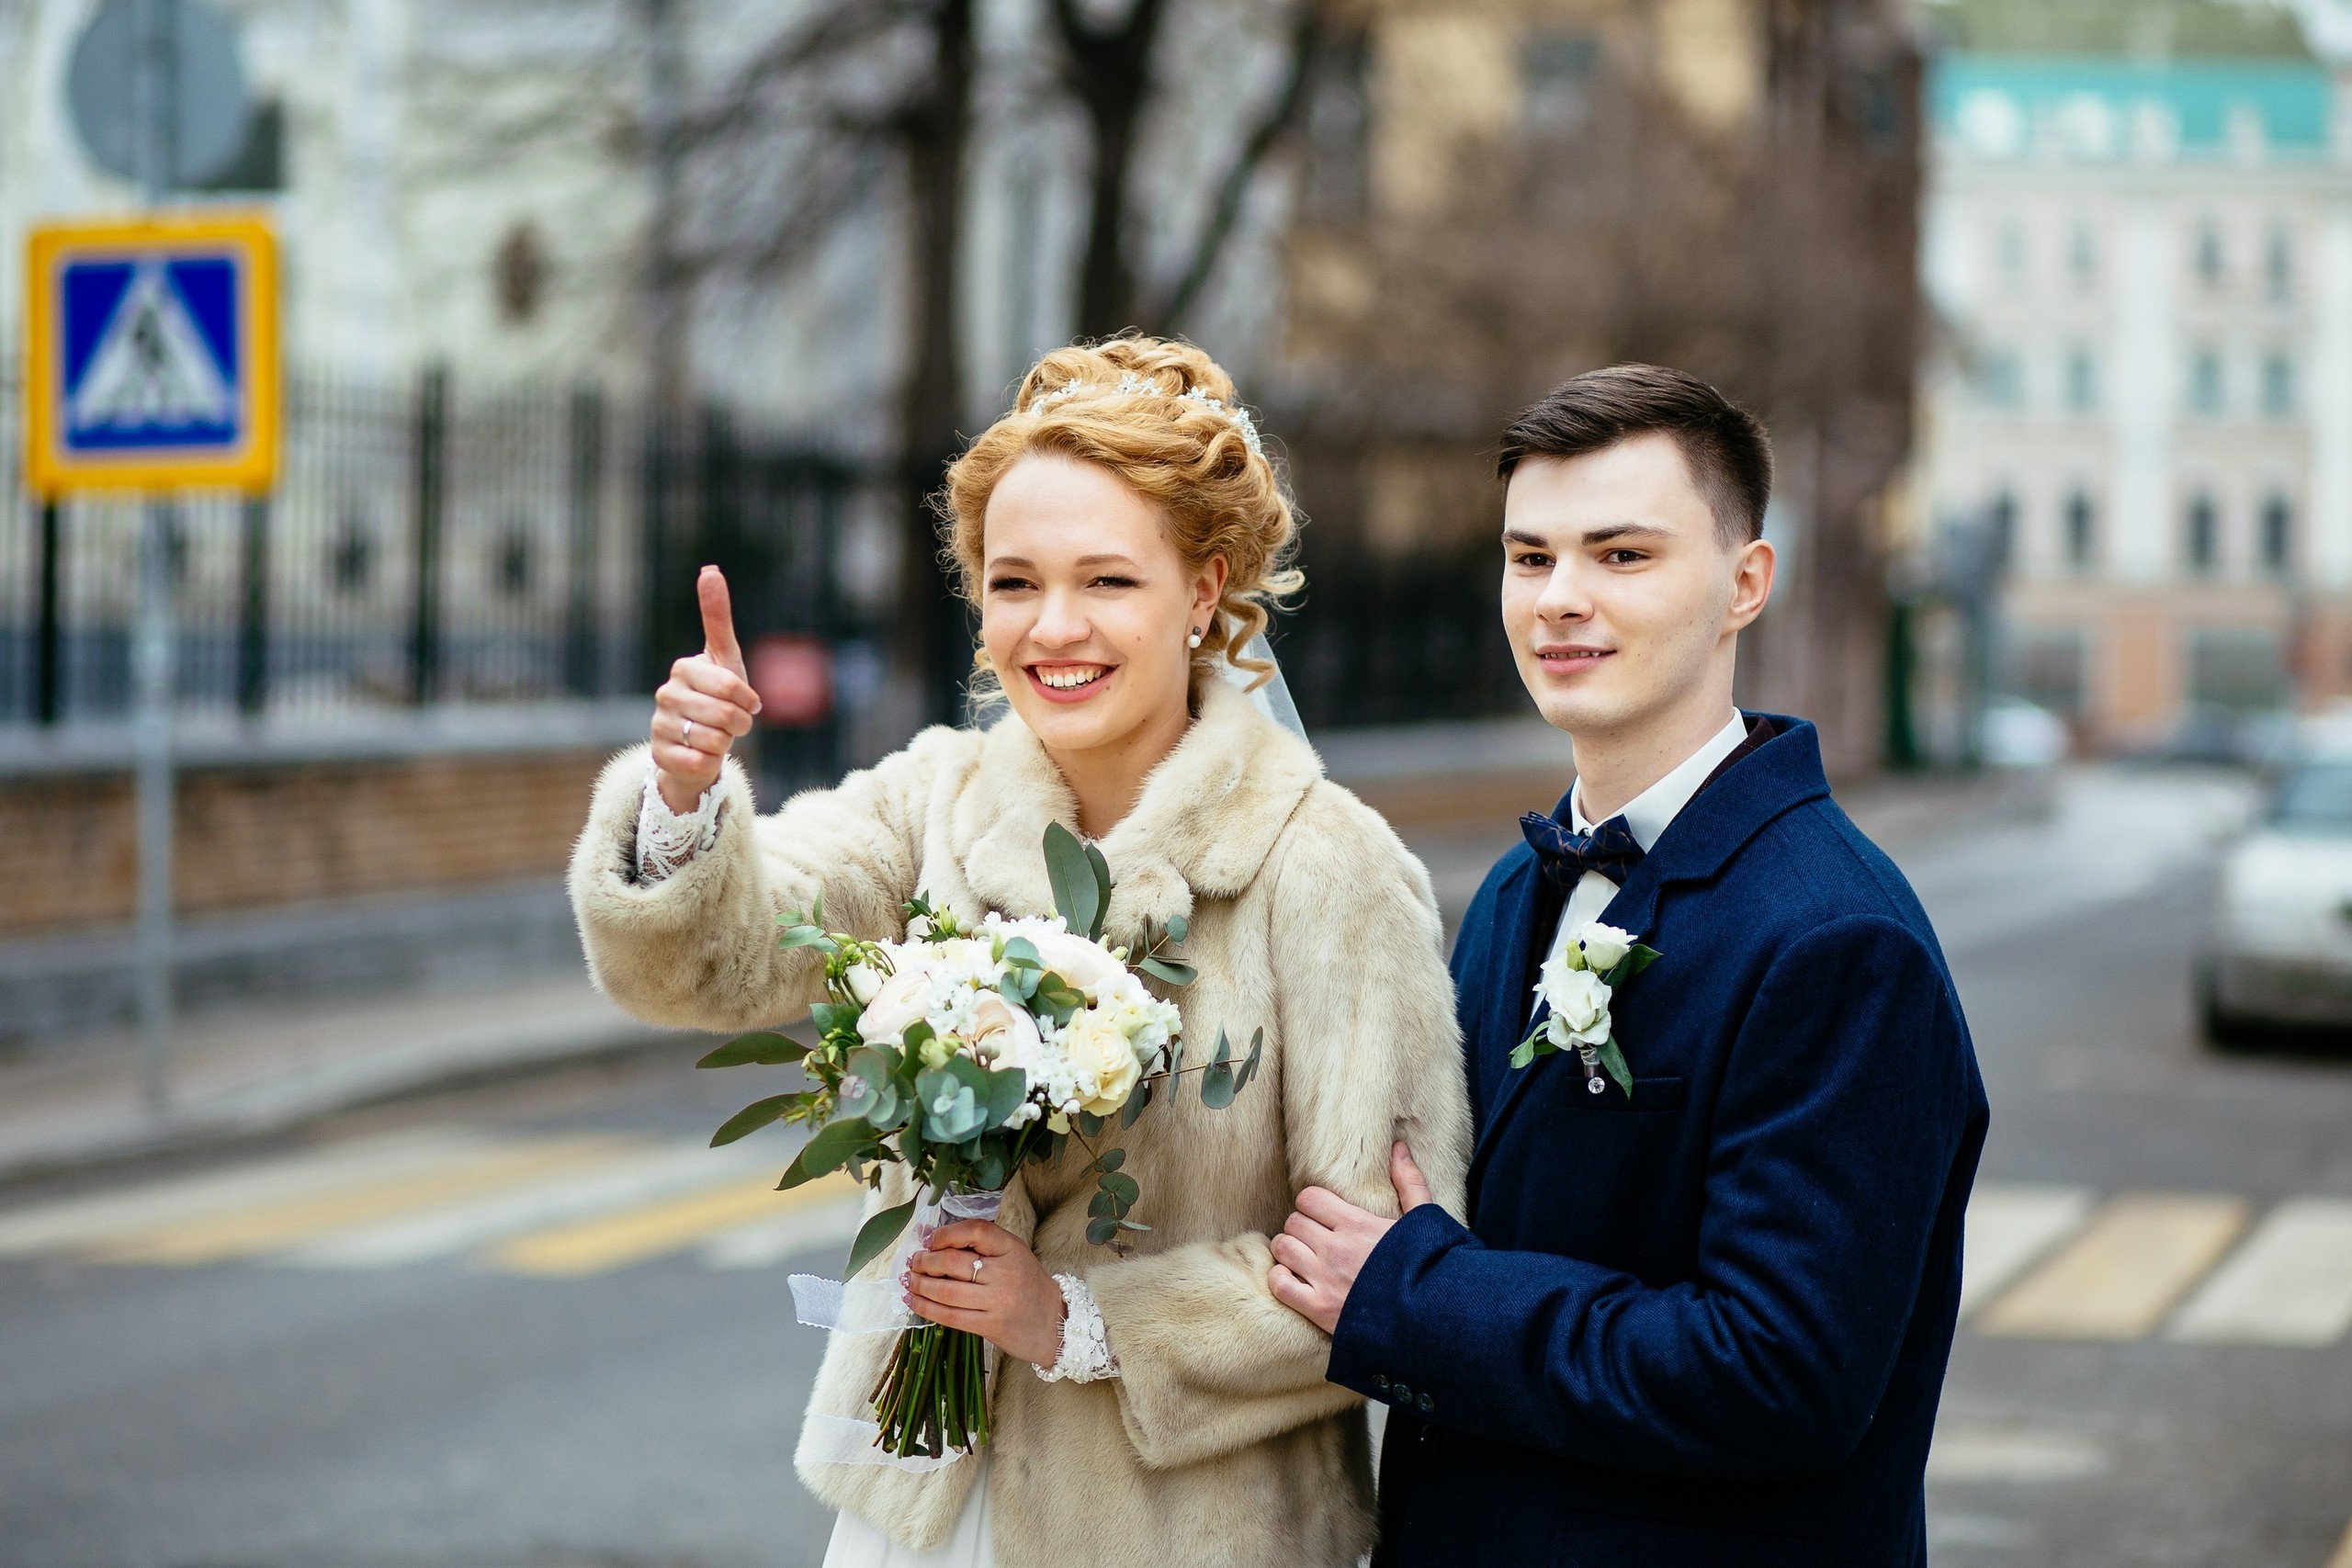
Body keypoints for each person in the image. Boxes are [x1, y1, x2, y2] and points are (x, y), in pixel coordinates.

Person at [568, 336, 1472, 1568]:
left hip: (1192, 1533)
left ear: (1204, 591)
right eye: (1013, 583)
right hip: (921, 1513)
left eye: (1108, 581)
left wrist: (1078, 1321)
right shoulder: (935, 802)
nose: (1053, 627)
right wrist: (682, 794)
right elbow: (720, 960)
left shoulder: (1329, 869)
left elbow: (1386, 1278)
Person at [1265, 365, 1989, 1566]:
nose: (1561, 598)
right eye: (1531, 557)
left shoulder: (1840, 942)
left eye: (1622, 555)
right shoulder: (1512, 893)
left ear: (1745, 583)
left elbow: (1781, 1375)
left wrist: (1412, 1299)